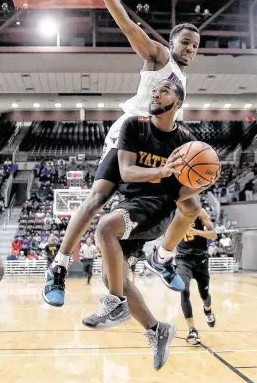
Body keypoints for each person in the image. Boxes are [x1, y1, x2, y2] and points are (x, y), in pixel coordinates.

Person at [42, 0, 201, 307]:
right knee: (98, 196)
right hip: (129, 132)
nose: (190, 48)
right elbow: (131, 27)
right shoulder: (160, 57)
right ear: (173, 42)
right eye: (185, 42)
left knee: (188, 203)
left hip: (157, 141)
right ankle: (58, 267)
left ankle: (161, 256)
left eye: (195, 45)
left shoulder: (182, 80)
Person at [82, 80, 216, 332]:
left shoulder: (186, 141)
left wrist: (202, 183)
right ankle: (157, 330)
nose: (156, 94)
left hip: (157, 208)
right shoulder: (133, 125)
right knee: (112, 277)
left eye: (164, 91)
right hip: (129, 204)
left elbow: (181, 195)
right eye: (154, 91)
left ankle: (116, 302)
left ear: (177, 102)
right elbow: (127, 172)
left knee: (105, 227)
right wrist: (162, 170)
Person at [176, 208, 217, 345]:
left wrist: (197, 232)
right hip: (183, 259)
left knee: (204, 294)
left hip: (201, 259)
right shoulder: (171, 213)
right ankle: (192, 330)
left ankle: (208, 310)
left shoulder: (199, 211)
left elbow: (214, 235)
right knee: (183, 290)